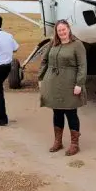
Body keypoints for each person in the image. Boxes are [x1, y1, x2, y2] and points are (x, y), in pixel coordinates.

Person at [38, 19, 87, 155]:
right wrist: (41, 77)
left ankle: (74, 144)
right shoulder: (53, 43)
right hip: (53, 83)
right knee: (57, 112)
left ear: (69, 29)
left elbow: (82, 66)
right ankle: (58, 142)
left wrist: (79, 84)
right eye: (59, 30)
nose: (62, 32)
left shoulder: (77, 45)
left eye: (63, 30)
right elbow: (44, 60)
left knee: (71, 113)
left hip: (70, 83)